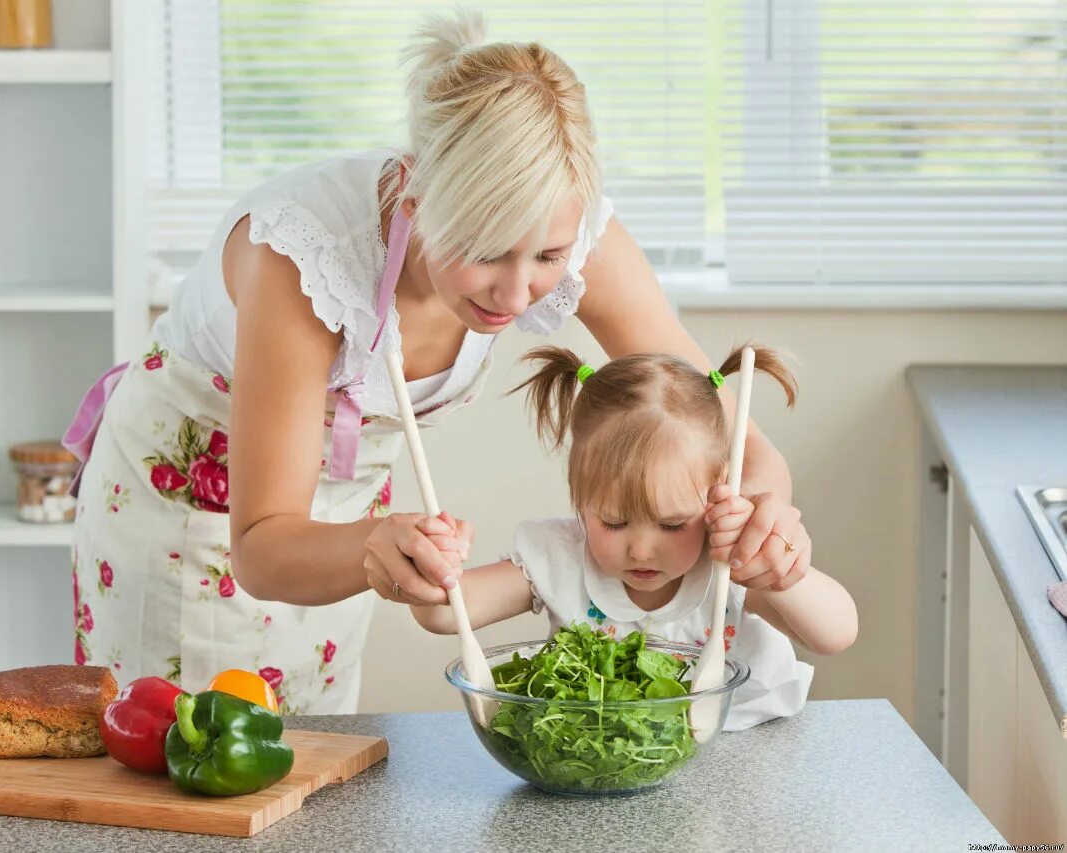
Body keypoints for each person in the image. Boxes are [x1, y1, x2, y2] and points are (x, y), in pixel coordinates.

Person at [64, 10, 805, 715]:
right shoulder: (301, 258)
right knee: (180, 774)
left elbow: (740, 444)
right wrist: (371, 544)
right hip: (191, 512)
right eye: (486, 252)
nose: (517, 293)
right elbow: (260, 548)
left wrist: (768, 521)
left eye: (547, 255)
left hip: (347, 519)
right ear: (416, 200)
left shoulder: (570, 229)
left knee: (301, 758)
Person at [401, 346, 858, 728]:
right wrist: (432, 564)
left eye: (672, 524)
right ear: (579, 495)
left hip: (745, 750)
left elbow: (835, 635)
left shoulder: (728, 559)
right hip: (610, 760)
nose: (640, 548)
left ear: (721, 489)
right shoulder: (558, 556)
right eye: (614, 523)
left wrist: (780, 573)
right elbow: (445, 616)